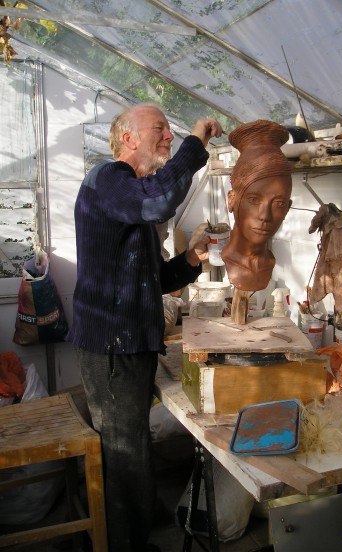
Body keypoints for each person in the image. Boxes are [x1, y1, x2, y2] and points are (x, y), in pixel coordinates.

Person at [67, 103, 223, 552]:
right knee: (123, 449)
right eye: (161, 129)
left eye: (172, 131)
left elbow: (156, 280)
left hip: (126, 343)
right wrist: (196, 141)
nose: (169, 136)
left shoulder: (129, 202)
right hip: (112, 345)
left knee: (129, 443)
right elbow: (159, 198)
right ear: (128, 139)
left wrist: (191, 258)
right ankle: (126, 543)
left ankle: (133, 524)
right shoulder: (108, 178)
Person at [221, 120, 292, 291]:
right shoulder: (228, 258)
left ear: (287, 209)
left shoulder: (268, 263)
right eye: (254, 200)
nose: (265, 216)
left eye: (279, 203)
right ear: (231, 200)